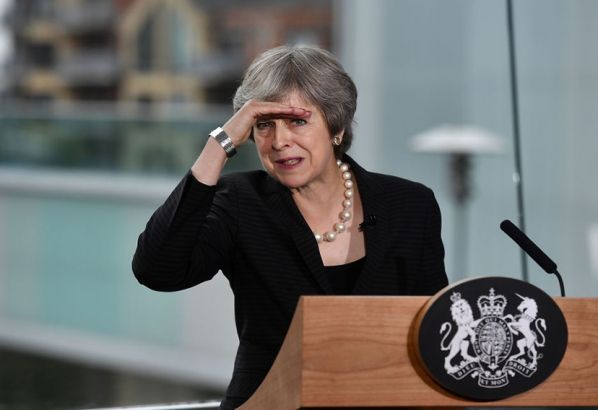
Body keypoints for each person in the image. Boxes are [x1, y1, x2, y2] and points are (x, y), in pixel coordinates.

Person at [132, 45, 448, 409]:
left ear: (336, 127)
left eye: (297, 121)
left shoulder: (410, 205)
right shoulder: (239, 202)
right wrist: (219, 145)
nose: (279, 141)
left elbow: (436, 332)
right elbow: (157, 270)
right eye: (264, 125)